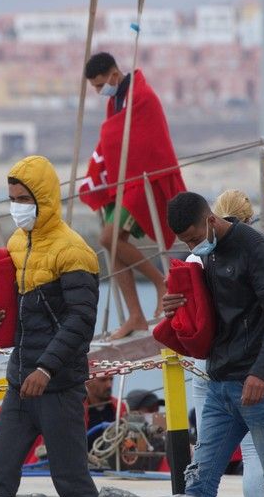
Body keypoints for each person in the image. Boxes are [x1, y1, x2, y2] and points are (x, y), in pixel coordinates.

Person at [164, 191, 264, 497]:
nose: (192, 247)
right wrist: (178, 307)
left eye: (195, 238)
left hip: (257, 385)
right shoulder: (208, 253)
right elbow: (211, 313)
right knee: (198, 482)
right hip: (218, 385)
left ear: (211, 220)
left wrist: (260, 374)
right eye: (185, 243)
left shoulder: (255, 248)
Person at [0, 155, 103, 497]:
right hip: (19, 384)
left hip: (58, 387)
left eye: (23, 199)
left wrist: (46, 368)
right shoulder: (18, 242)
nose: (16, 207)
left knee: (73, 487)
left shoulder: (74, 251)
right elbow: (12, 302)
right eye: (12, 198)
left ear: (44, 199)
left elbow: (81, 321)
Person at [80, 52, 186, 340]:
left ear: (114, 75)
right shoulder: (116, 101)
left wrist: (109, 136)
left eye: (101, 84)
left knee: (108, 238)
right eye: (95, 88)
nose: (100, 91)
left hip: (146, 180)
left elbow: (143, 138)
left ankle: (161, 281)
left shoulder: (142, 96)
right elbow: (113, 140)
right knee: (114, 244)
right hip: (126, 184)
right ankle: (135, 316)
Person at [186, 188, 264, 497]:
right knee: (254, 453)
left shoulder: (195, 257)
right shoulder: (259, 250)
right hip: (245, 364)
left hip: (203, 364)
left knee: (205, 454)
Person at [85, 375, 127, 450]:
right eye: (103, 380)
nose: (109, 385)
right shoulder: (77, 410)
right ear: (87, 382)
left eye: (111, 379)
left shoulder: (121, 407)